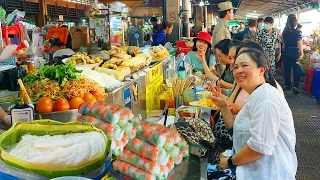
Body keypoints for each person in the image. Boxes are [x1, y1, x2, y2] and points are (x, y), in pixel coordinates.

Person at [211, 48, 297, 180]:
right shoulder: (256, 95)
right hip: (249, 170)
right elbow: (235, 130)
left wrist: (230, 161)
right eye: (236, 67)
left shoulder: (267, 99)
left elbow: (259, 147)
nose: (239, 71)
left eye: (245, 65)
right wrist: (223, 106)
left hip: (269, 174)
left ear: (262, 70)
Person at [282, 16, 304, 94]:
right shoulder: (298, 32)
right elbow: (299, 43)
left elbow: (283, 41)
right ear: (296, 23)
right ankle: (295, 86)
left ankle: (288, 85)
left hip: (287, 52)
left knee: (287, 70)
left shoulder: (285, 32)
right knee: (296, 70)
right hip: (295, 52)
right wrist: (301, 53)